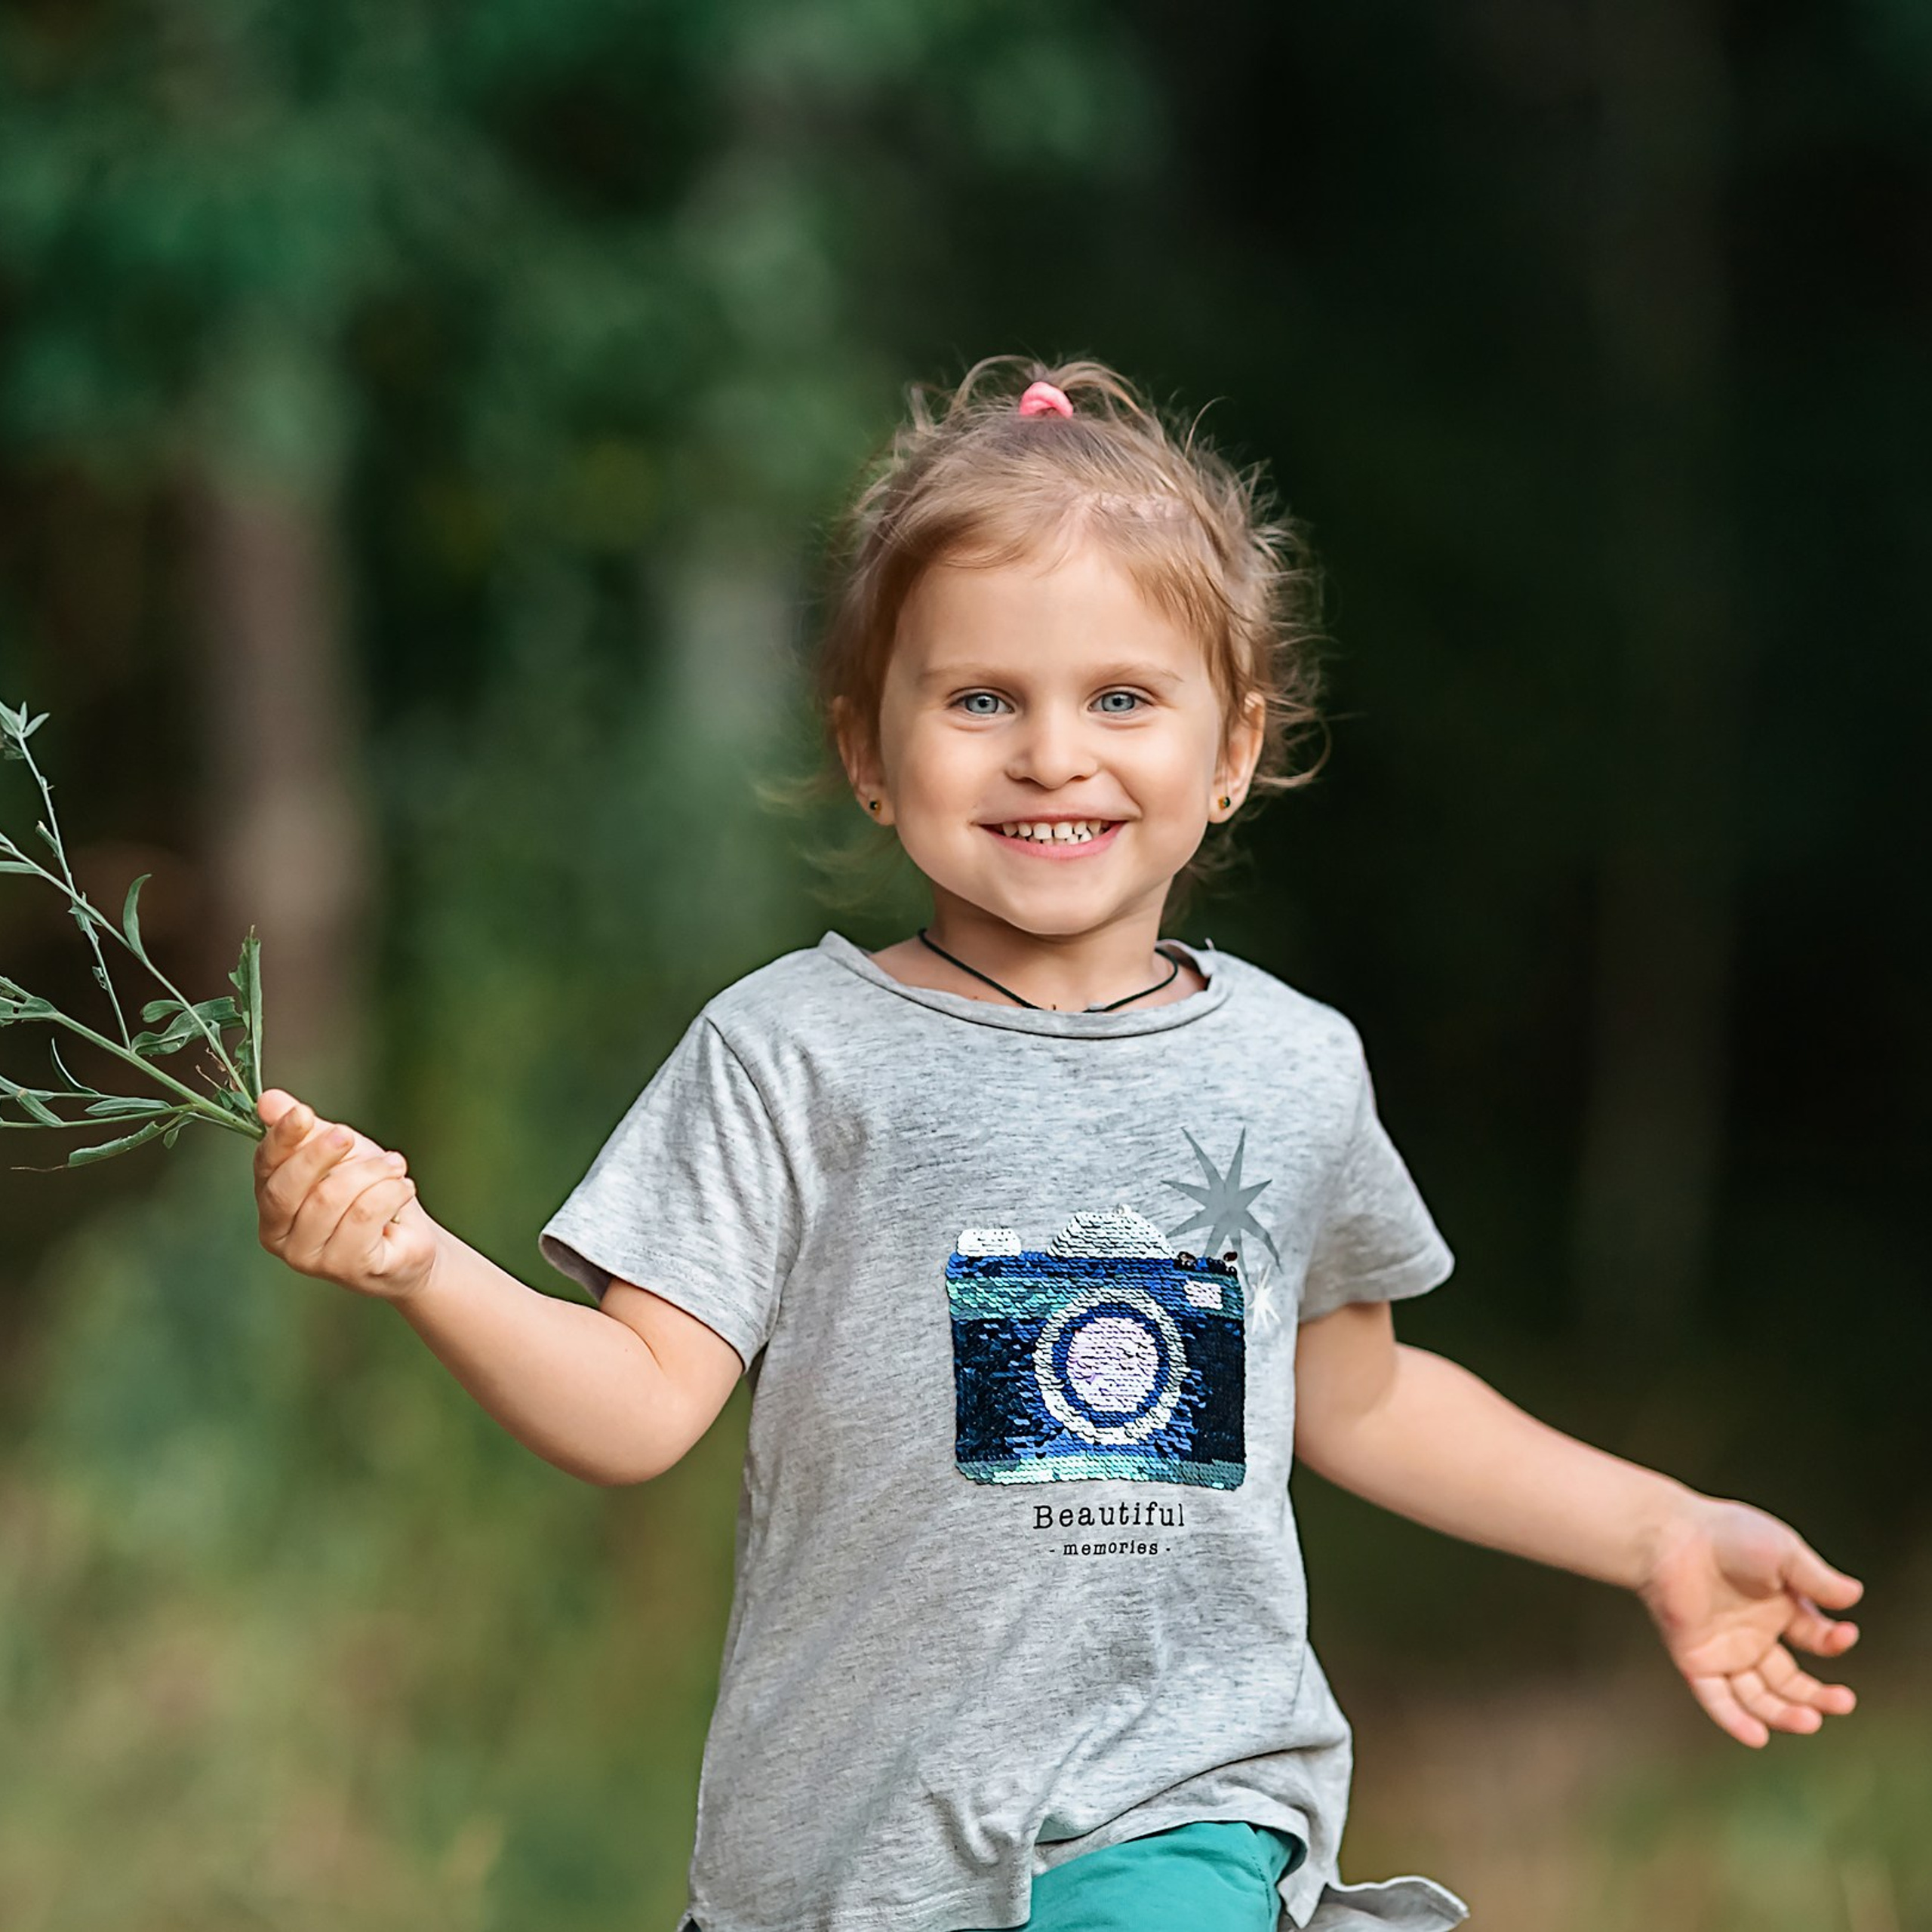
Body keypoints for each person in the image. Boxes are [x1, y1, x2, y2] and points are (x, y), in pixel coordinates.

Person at [251, 357, 1866, 1932]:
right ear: (867, 751)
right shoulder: (789, 1053)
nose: (1050, 752)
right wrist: (420, 1264)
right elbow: (634, 1404)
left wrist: (1655, 1525)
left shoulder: (1292, 1064)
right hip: (842, 1850)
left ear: (1229, 751)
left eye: (1120, 698)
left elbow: (1359, 1392)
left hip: (1180, 1797)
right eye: (979, 700)